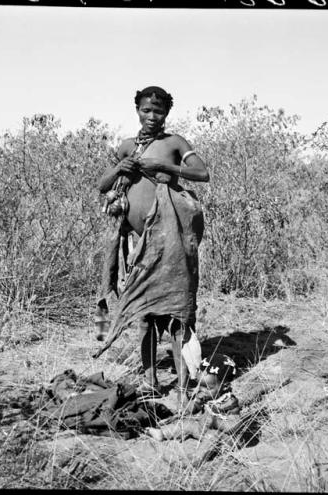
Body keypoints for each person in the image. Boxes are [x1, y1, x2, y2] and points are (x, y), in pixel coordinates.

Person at [93, 86, 209, 410]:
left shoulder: (175, 144)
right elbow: (103, 185)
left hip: (170, 245)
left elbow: (203, 173)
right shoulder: (128, 147)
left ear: (166, 114)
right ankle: (150, 382)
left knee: (176, 317)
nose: (151, 116)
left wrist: (169, 171)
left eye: (158, 112)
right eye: (146, 110)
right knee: (144, 315)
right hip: (138, 246)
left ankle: (185, 390)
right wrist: (121, 168)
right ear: (137, 111)